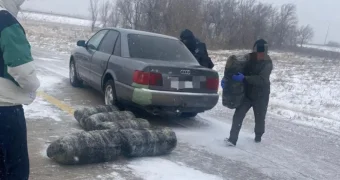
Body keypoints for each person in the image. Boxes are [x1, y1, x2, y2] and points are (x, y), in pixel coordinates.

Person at [0, 0, 40, 179]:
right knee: (14, 171)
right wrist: (33, 88)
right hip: (5, 111)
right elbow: (24, 72)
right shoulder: (5, 21)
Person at [222, 39, 273, 146]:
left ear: (265, 52)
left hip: (261, 95)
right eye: (257, 52)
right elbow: (237, 66)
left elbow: (262, 79)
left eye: (261, 53)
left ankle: (258, 137)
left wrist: (244, 78)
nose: (258, 55)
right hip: (247, 94)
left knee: (259, 118)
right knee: (238, 116)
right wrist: (227, 79)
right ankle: (232, 139)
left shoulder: (267, 63)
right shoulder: (249, 58)